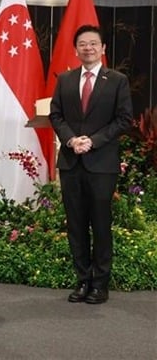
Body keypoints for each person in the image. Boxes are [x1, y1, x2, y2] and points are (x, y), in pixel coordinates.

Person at [49, 24, 132, 304]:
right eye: (83, 44)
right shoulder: (66, 80)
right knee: (75, 224)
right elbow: (56, 116)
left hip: (101, 164)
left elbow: (124, 120)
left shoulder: (117, 80)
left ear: (103, 48)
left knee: (100, 223)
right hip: (72, 162)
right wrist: (72, 140)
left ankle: (100, 283)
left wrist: (92, 141)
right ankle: (82, 280)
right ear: (76, 49)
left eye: (93, 43)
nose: (88, 48)